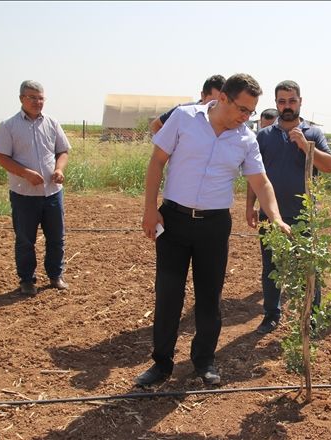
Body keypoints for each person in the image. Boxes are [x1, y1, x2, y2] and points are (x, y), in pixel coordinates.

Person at [136, 73, 290, 387]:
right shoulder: (183, 118)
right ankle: (161, 364)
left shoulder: (246, 138)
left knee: (209, 297)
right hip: (174, 221)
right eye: (242, 109)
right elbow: (156, 161)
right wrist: (150, 209)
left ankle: (204, 361)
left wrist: (275, 217)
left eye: (251, 112)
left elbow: (261, 182)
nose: (246, 117)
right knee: (169, 294)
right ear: (221, 98)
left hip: (214, 226)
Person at [245, 80, 331, 334]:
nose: (287, 106)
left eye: (292, 101)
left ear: (300, 102)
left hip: (303, 216)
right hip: (270, 216)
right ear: (276, 103)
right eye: (282, 101)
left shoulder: (313, 134)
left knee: (308, 268)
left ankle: (311, 316)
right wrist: (250, 206)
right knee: (270, 267)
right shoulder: (263, 136)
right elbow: (254, 175)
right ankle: (271, 314)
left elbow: (329, 166)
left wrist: (307, 148)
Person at [0, 80, 71, 297]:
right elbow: (1, 157)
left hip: (52, 192)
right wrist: (25, 173)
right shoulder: (9, 126)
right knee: (26, 239)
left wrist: (59, 169)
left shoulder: (52, 123)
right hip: (24, 194)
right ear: (21, 99)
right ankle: (27, 280)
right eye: (32, 97)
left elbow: (62, 151)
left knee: (57, 236)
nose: (37, 102)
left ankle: (56, 276)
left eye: (41, 98)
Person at [148, 74, 226, 134]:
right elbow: (156, 125)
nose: (217, 107)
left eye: (221, 102)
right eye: (213, 102)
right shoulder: (182, 112)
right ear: (203, 96)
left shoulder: (229, 120)